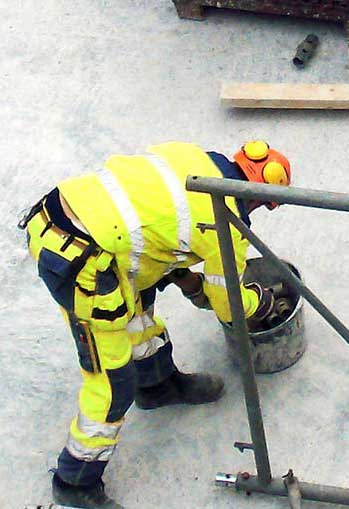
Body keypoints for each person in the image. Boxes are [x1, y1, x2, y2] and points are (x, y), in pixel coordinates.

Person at [19, 141, 292, 508]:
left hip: (68, 216)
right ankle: (75, 481)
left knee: (141, 302)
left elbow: (156, 224)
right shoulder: (225, 225)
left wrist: (186, 280)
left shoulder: (190, 157)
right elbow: (230, 308)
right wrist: (261, 301)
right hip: (80, 257)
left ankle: (158, 384)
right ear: (261, 199)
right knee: (112, 383)